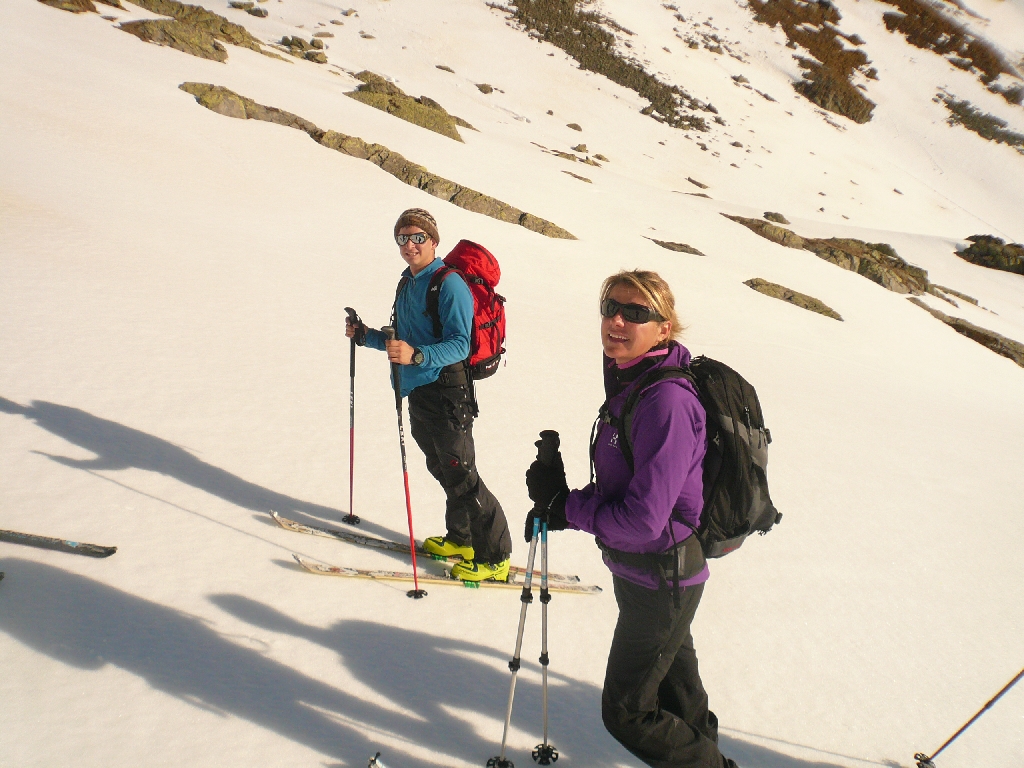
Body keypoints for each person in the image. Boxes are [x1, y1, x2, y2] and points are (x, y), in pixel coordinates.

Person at [524, 269, 740, 768]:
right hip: (650, 573)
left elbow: (644, 519)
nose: (617, 321)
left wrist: (568, 507)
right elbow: (628, 486)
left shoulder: (666, 401)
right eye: (611, 308)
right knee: (678, 692)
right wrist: (565, 499)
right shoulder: (632, 382)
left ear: (664, 328)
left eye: (635, 313)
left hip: (661, 575)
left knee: (628, 712)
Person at [346, 208, 512, 582]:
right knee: (443, 469)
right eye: (402, 238)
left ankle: (495, 555)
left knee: (462, 474)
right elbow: (402, 340)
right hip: (418, 389)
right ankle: (461, 540)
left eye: (418, 237)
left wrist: (418, 356)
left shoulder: (448, 284)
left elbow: (460, 344)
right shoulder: (407, 282)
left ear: (434, 241)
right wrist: (366, 336)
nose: (410, 245)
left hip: (448, 390)